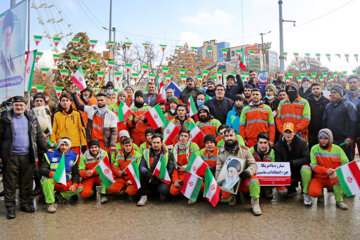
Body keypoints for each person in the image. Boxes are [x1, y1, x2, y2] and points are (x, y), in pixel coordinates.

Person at [0, 96, 48, 219]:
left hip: (28, 155)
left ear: (25, 106)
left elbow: (38, 137)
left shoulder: (32, 118)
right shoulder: (5, 119)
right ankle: (10, 208)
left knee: (26, 182)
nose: (19, 107)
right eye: (16, 105)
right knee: (10, 183)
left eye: (21, 105)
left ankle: (25, 204)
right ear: (12, 106)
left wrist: (47, 148)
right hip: (11, 157)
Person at [216, 128, 262, 216]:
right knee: (226, 200)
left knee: (254, 180)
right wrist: (218, 185)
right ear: (223, 138)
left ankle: (255, 204)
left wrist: (248, 172)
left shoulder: (245, 150)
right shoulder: (220, 153)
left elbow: (253, 165)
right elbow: (218, 170)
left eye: (231, 135)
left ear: (235, 137)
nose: (229, 138)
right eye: (226, 136)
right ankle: (232, 196)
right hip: (229, 182)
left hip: (243, 180)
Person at [307, 129, 349, 209]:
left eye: (325, 138)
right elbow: (313, 165)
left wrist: (335, 172)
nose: (323, 141)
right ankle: (320, 195)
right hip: (319, 177)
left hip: (333, 177)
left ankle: (339, 200)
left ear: (330, 139)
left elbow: (345, 163)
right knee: (312, 192)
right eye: (321, 138)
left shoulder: (338, 149)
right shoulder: (314, 149)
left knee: (338, 178)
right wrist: (326, 171)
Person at [40, 138, 83, 213]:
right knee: (46, 180)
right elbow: (42, 169)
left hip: (66, 182)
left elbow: (75, 173)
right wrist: (50, 173)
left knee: (81, 187)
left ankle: (61, 195)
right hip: (54, 181)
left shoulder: (73, 155)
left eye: (66, 145)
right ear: (59, 145)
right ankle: (51, 203)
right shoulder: (50, 154)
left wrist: (75, 184)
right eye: (62, 145)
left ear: (69, 146)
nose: (64, 147)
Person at [71, 89, 117, 153]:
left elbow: (114, 131)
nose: (100, 102)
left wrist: (113, 144)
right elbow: (79, 106)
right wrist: (74, 93)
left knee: (103, 162)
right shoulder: (91, 109)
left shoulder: (111, 115)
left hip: (104, 144)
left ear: (106, 101)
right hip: (91, 143)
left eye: (101, 100)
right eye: (98, 100)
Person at [273, 123, 311, 197]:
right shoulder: (277, 145)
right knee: (284, 192)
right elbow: (278, 162)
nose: (288, 135)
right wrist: (285, 170)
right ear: (282, 133)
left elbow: (307, 158)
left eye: (290, 132)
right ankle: (290, 185)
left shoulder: (302, 142)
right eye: (286, 132)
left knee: (306, 169)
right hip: (286, 171)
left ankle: (305, 189)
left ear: (294, 132)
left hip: (298, 168)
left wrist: (292, 163)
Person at [322, 85, 357, 161]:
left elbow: (354, 122)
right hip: (332, 140)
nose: (332, 94)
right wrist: (325, 136)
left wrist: (350, 137)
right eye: (331, 93)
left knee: (346, 161)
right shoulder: (328, 106)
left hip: (344, 140)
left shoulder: (348, 105)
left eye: (335, 92)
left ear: (341, 94)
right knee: (333, 161)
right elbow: (324, 122)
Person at [138, 134, 174, 206]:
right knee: (141, 173)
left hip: (162, 179)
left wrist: (161, 176)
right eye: (154, 142)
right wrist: (147, 173)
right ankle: (144, 196)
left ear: (162, 143)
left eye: (158, 142)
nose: (156, 145)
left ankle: (160, 194)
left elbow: (171, 169)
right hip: (150, 177)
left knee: (163, 190)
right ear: (151, 143)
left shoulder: (168, 153)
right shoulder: (145, 152)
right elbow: (141, 166)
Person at [105, 137, 142, 202]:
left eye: (130, 145)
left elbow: (139, 170)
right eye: (126, 146)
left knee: (130, 191)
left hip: (132, 179)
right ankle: (125, 189)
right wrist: (118, 171)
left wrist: (132, 180)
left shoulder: (138, 155)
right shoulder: (119, 154)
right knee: (110, 189)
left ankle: (128, 191)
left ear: (132, 145)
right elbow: (116, 165)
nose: (128, 147)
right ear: (123, 146)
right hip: (122, 178)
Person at [250, 132, 287, 196]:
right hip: (255, 174)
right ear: (257, 143)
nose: (263, 145)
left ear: (268, 143)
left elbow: (274, 169)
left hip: (267, 177)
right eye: (261, 143)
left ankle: (268, 190)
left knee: (283, 191)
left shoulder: (272, 152)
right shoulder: (251, 150)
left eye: (265, 143)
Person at [170, 128, 200, 203]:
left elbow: (197, 161)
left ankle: (192, 195)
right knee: (172, 191)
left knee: (202, 186)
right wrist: (175, 180)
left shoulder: (194, 146)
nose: (183, 137)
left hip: (191, 173)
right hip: (180, 174)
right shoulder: (174, 149)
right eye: (181, 135)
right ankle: (184, 190)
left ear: (188, 137)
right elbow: (174, 167)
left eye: (185, 136)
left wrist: (188, 166)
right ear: (179, 137)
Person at [307, 83, 330, 148]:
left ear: (321, 90)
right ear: (311, 90)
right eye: (313, 89)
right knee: (311, 148)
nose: (315, 90)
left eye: (317, 88)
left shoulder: (327, 101)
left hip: (323, 129)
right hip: (311, 130)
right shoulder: (308, 101)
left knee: (322, 148)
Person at [0, 11, 15, 78]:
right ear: (2, 34)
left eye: (10, 35)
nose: (8, 39)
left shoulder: (11, 57)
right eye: (7, 34)